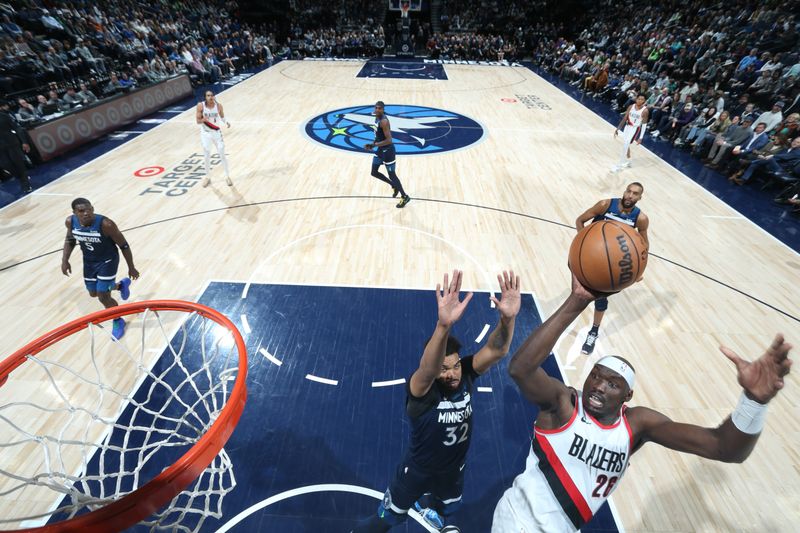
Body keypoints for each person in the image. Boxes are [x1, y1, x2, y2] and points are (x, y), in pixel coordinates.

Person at [491, 275, 792, 533]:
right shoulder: (564, 404)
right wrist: (577, 300)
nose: (598, 385)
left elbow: (724, 448)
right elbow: (521, 369)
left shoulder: (637, 424)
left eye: (612, 384)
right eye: (595, 376)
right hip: (518, 521)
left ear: (627, 397)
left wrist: (753, 402)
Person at [352, 270, 521, 532]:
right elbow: (429, 370)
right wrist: (444, 325)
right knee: (386, 520)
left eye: (454, 367)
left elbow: (497, 349)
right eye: (444, 368)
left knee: (445, 510)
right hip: (417, 471)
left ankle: (431, 508)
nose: (451, 374)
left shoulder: (464, 374)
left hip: (452, 471)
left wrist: (507, 320)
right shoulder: (422, 389)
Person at [574, 183, 649, 354]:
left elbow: (644, 245)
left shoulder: (641, 218)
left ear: (639, 198)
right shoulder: (605, 205)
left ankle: (593, 331)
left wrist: (640, 270)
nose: (630, 195)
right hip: (588, 258)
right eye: (628, 191)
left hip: (610, 266)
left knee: (600, 299)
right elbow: (580, 220)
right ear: (624, 192)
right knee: (577, 294)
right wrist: (581, 244)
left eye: (635, 194)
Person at [61, 198, 140, 340]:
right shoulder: (70, 222)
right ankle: (121, 285)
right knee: (93, 293)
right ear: (74, 213)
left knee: (103, 295)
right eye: (81, 211)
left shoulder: (106, 224)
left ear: (92, 208)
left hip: (108, 261)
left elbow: (124, 245)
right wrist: (65, 260)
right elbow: (70, 240)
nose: (86, 213)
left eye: (89, 209)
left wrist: (131, 267)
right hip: (89, 262)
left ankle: (118, 320)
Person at [364, 101, 411, 208]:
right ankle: (393, 185)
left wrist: (374, 145)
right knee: (374, 172)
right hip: (380, 150)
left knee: (392, 175)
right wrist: (373, 144)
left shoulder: (384, 121)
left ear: (383, 109)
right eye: (376, 108)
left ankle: (404, 196)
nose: (377, 109)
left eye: (380, 108)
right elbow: (378, 135)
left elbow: (389, 140)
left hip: (388, 151)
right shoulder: (376, 118)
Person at [196, 90, 232, 187]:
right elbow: (198, 121)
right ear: (205, 97)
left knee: (222, 153)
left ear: (214, 96)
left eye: (212, 95)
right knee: (207, 155)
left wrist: (226, 122)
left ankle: (227, 176)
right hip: (206, 134)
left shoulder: (219, 106)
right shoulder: (201, 106)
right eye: (208, 95)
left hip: (216, 132)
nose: (210, 97)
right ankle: (207, 177)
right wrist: (203, 119)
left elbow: (222, 116)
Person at [0, 100, 33, 193]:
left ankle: (25, 184)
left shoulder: (3, 116)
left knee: (18, 163)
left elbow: (16, 128)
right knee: (6, 165)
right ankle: (22, 177)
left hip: (11, 143)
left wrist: (24, 142)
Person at [612, 94, 648, 172]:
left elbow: (644, 125)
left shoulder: (645, 111)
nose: (640, 101)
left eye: (642, 99)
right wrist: (618, 128)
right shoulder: (631, 107)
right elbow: (625, 118)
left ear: (644, 101)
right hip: (627, 127)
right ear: (636, 99)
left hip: (635, 129)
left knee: (625, 145)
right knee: (626, 143)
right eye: (639, 99)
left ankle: (619, 166)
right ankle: (629, 160)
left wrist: (641, 138)